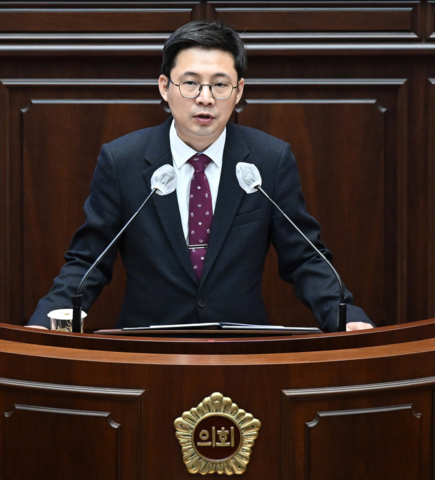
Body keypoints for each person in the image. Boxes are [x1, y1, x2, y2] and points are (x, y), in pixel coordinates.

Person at [27, 21, 374, 332]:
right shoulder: (123, 161)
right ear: (164, 87)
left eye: (220, 85)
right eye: (191, 83)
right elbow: (89, 260)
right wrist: (47, 321)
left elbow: (305, 257)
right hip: (147, 351)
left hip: (241, 349)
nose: (205, 98)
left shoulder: (270, 160)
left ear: (239, 91)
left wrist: (345, 317)